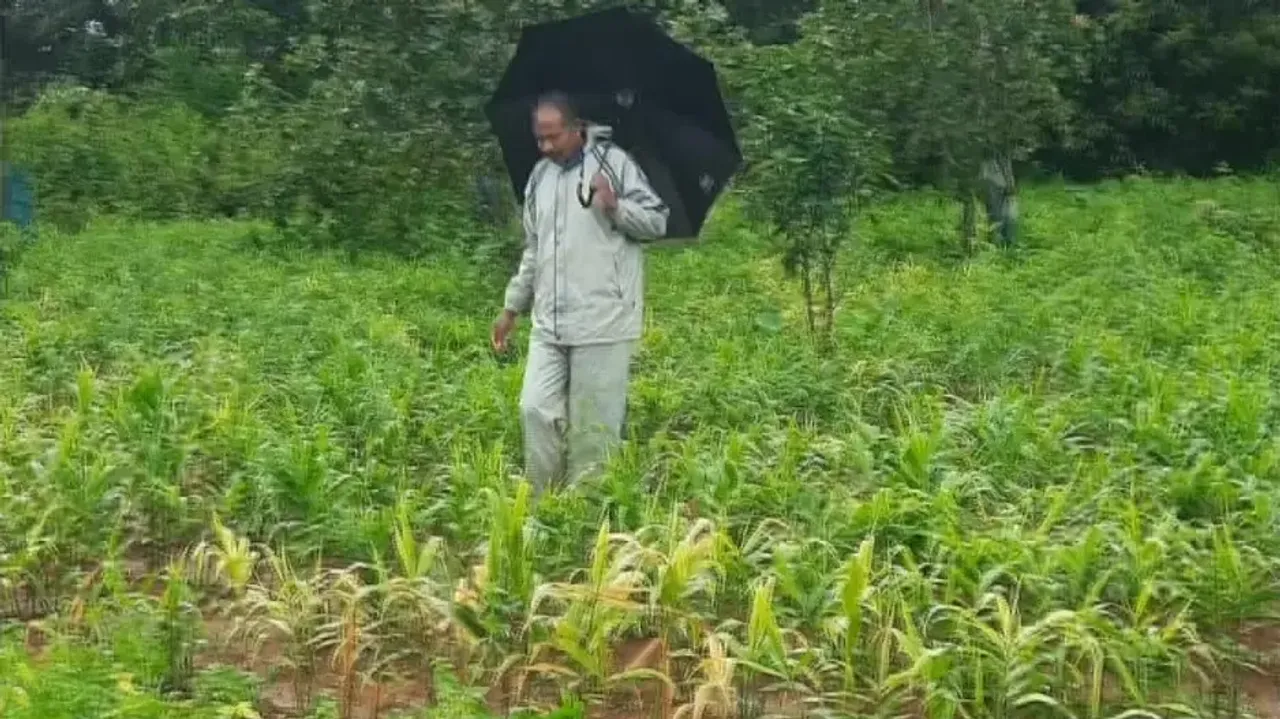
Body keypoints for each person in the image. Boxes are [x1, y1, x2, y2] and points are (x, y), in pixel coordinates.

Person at [491, 92, 669, 494]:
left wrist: (615, 206)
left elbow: (657, 221)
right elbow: (534, 249)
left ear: (577, 128)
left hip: (603, 320)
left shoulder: (615, 164)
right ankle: (544, 506)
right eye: (540, 139)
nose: (546, 147)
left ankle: (586, 523)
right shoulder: (540, 176)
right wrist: (512, 307)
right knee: (534, 409)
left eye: (553, 137)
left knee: (593, 429)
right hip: (549, 321)